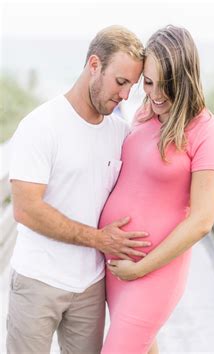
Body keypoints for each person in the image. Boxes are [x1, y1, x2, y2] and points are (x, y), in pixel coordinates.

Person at [7, 26, 150, 353]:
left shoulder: (120, 133)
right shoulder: (41, 126)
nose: (126, 95)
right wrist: (98, 239)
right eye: (121, 82)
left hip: (91, 286)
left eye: (132, 86)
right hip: (37, 281)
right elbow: (25, 209)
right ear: (94, 65)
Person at [99, 25, 214, 354]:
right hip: (116, 264)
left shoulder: (208, 131)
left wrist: (140, 268)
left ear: (186, 78)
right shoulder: (144, 115)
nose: (156, 94)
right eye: (149, 82)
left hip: (153, 272)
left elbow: (202, 221)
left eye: (166, 85)